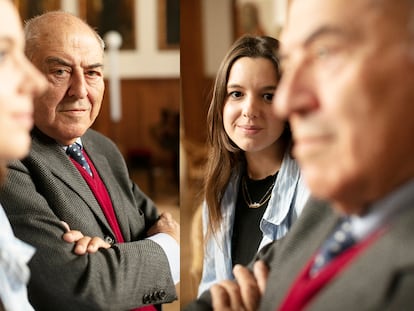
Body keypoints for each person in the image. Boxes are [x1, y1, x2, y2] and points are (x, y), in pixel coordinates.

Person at [186, 0, 414, 309]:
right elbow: (215, 295)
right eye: (291, 64)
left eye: (325, 53)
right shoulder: (328, 206)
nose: (286, 102)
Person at [0, 11, 179, 311]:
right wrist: (169, 249)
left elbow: (159, 223)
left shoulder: (102, 147)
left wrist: (108, 256)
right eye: (60, 71)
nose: (80, 90)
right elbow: (78, 284)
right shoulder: (11, 161)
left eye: (93, 72)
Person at [198, 35, 309, 295]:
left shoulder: (311, 189)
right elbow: (211, 289)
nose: (249, 109)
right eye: (236, 94)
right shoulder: (220, 189)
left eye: (268, 96)